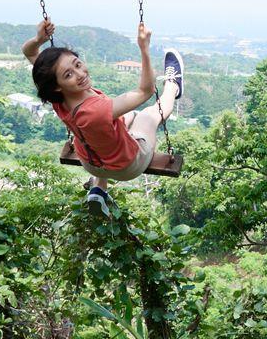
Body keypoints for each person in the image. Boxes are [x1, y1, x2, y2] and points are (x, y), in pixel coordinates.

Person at [22, 18, 183, 209]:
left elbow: (29, 52)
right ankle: (173, 85)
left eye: (77, 64)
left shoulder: (57, 97)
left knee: (128, 117)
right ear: (57, 85)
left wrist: (39, 39)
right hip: (127, 166)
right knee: (149, 114)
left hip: (90, 163)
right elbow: (145, 91)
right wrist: (144, 49)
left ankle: (99, 188)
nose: (80, 74)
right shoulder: (96, 111)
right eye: (69, 75)